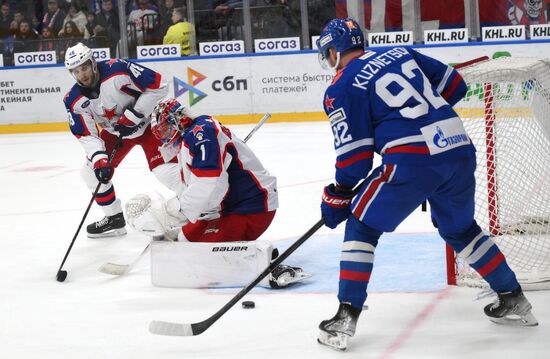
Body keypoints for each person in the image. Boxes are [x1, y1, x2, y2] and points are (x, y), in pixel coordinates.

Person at [315, 18, 538, 351]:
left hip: (412, 161)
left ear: (333, 51)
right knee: (461, 230)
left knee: (362, 226)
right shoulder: (400, 52)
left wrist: (339, 193)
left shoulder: (340, 87)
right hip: (458, 148)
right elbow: (456, 86)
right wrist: (421, 122)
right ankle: (513, 298)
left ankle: (345, 317)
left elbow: (354, 159)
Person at [126, 98, 310, 288]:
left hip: (253, 205)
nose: (164, 136)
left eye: (165, 129)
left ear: (177, 120)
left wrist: (179, 210)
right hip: (229, 205)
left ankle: (266, 265)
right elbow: (203, 188)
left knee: (202, 259)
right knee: (183, 241)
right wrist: (182, 213)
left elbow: (209, 181)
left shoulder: (201, 131)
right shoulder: (190, 137)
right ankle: (243, 251)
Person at [63, 42, 182, 238]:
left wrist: (136, 113)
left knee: (165, 171)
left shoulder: (117, 69)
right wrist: (99, 158)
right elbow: (86, 133)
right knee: (91, 172)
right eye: (76, 71)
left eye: (84, 67)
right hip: (115, 133)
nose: (82, 74)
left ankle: (201, 207)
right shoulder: (73, 100)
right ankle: (114, 218)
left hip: (150, 125)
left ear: (93, 62)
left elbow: (159, 85)